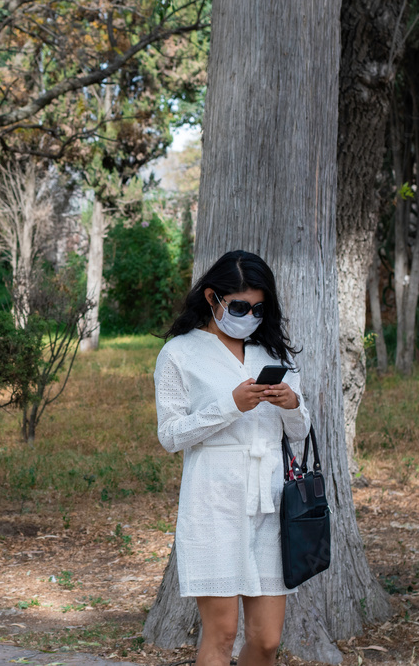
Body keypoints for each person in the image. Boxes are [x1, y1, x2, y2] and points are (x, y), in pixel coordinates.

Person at [154, 250, 311, 666]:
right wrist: (230, 405)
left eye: (258, 308)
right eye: (240, 307)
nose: (250, 316)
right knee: (221, 634)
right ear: (212, 298)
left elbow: (299, 433)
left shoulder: (274, 354)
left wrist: (292, 405)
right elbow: (170, 435)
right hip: (213, 503)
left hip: (271, 503)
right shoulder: (180, 353)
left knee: (267, 639)